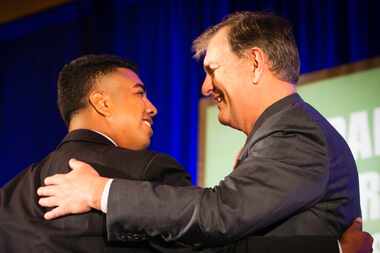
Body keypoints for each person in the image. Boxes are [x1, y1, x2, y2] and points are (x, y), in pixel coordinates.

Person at [37, 12, 371, 252]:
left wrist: (100, 192)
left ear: (255, 63)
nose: (205, 86)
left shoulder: (296, 134)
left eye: (212, 70)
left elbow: (218, 214)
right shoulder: (281, 133)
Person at [0, 54, 193, 252]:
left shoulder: (9, 196)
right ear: (103, 104)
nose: (153, 108)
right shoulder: (150, 170)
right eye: (139, 93)